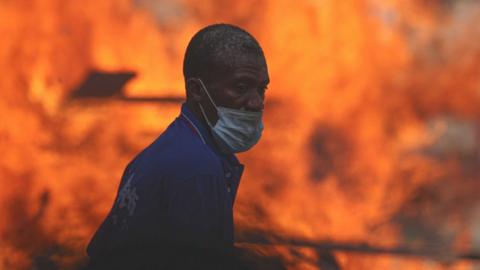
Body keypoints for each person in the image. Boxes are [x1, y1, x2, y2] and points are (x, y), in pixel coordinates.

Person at [85, 23, 269, 269]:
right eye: (240, 87)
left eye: (261, 89)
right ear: (196, 90)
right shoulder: (196, 167)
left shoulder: (169, 149)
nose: (256, 102)